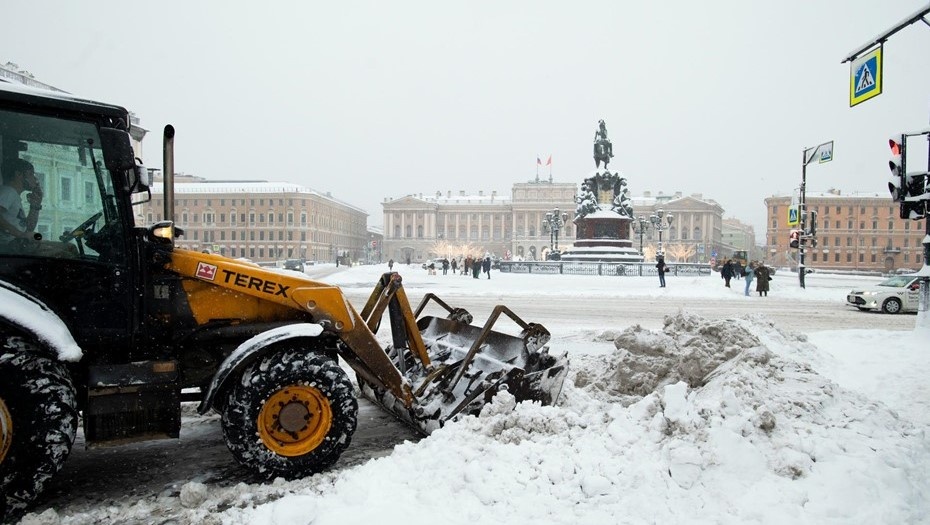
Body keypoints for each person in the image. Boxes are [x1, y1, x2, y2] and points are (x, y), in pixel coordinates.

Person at [0, 158, 43, 246]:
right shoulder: (8, 192)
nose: (34, 179)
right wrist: (20, 235)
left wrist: (35, 205)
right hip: (11, 247)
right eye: (31, 174)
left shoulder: (14, 195)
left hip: (19, 244)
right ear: (18, 174)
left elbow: (29, 228)